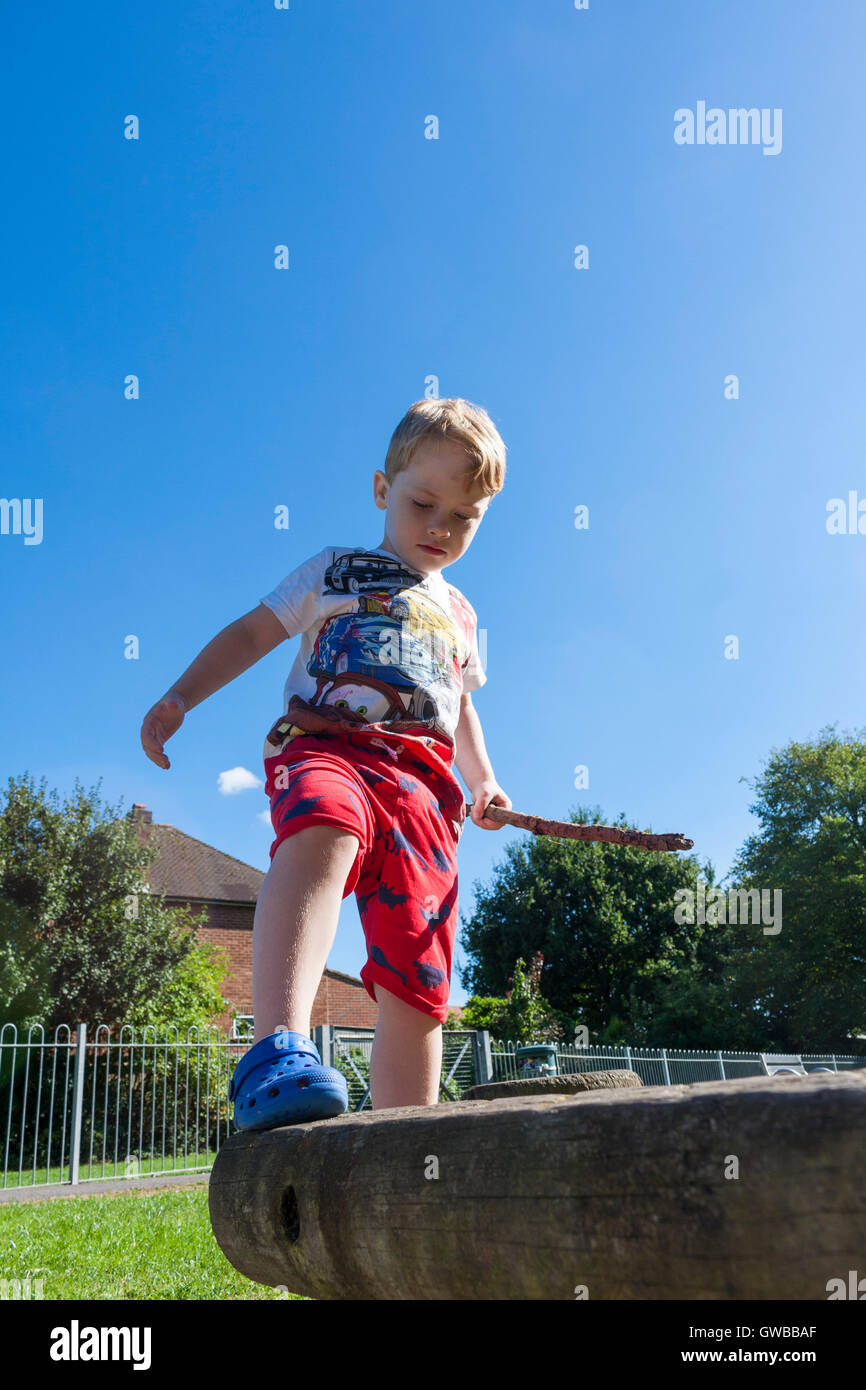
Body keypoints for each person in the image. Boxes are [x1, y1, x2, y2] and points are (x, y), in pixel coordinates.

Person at [140, 397, 511, 1129]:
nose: (440, 527)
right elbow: (253, 633)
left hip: (425, 794)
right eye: (423, 503)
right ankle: (279, 1046)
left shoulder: (463, 613)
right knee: (326, 826)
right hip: (330, 745)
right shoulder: (336, 570)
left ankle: (410, 1135)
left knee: (421, 964)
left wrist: (484, 780)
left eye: (464, 516)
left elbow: (460, 707)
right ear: (383, 490)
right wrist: (182, 695)